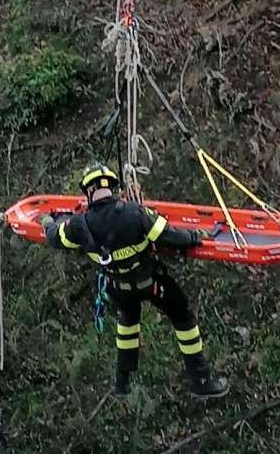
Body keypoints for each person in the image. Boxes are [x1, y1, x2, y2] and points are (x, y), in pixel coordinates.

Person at [42, 162, 228, 400]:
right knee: (183, 317)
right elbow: (169, 235)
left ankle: (122, 383)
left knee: (128, 323)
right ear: (113, 188)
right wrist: (196, 237)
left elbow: (53, 236)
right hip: (150, 283)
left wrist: (49, 220)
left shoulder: (78, 225)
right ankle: (201, 380)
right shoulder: (133, 212)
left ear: (88, 192)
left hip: (119, 288)